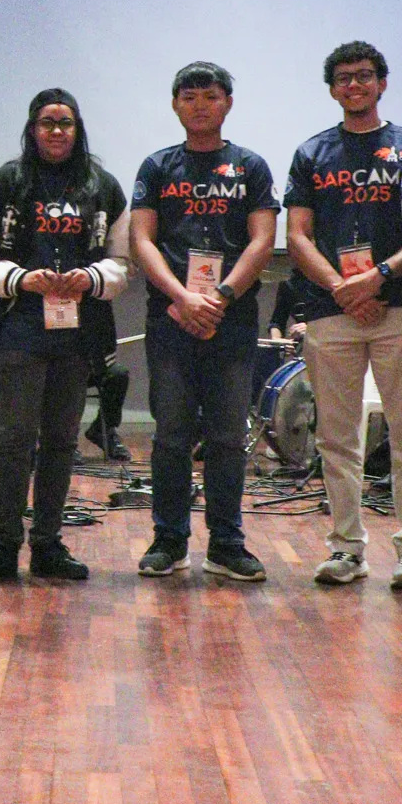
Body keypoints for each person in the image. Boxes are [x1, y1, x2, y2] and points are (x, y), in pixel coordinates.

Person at [284, 42, 402, 590]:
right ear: (332, 89)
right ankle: (346, 548)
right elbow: (296, 235)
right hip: (332, 311)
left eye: (365, 75)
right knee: (336, 439)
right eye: (344, 78)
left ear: (382, 83)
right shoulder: (312, 152)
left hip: (401, 304)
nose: (355, 84)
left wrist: (378, 278)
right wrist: (343, 288)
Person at [0, 89, 129, 583]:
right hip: (19, 329)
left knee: (61, 441)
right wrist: (20, 279)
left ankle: (48, 544)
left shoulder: (103, 186)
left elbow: (123, 260)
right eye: (47, 122)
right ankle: (2, 545)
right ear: (32, 129)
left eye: (65, 123)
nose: (56, 131)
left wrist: (91, 278)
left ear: (78, 130)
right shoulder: (5, 183)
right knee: (13, 439)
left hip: (78, 334)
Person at [128, 61, 279, 581]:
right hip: (170, 317)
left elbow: (263, 240)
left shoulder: (250, 166)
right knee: (171, 433)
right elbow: (141, 240)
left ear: (227, 103)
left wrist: (221, 295)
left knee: (227, 436)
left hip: (230, 319)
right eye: (189, 97)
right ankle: (169, 540)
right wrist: (182, 297)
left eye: (210, 97)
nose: (200, 106)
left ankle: (227, 543)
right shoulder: (156, 167)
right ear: (175, 104)